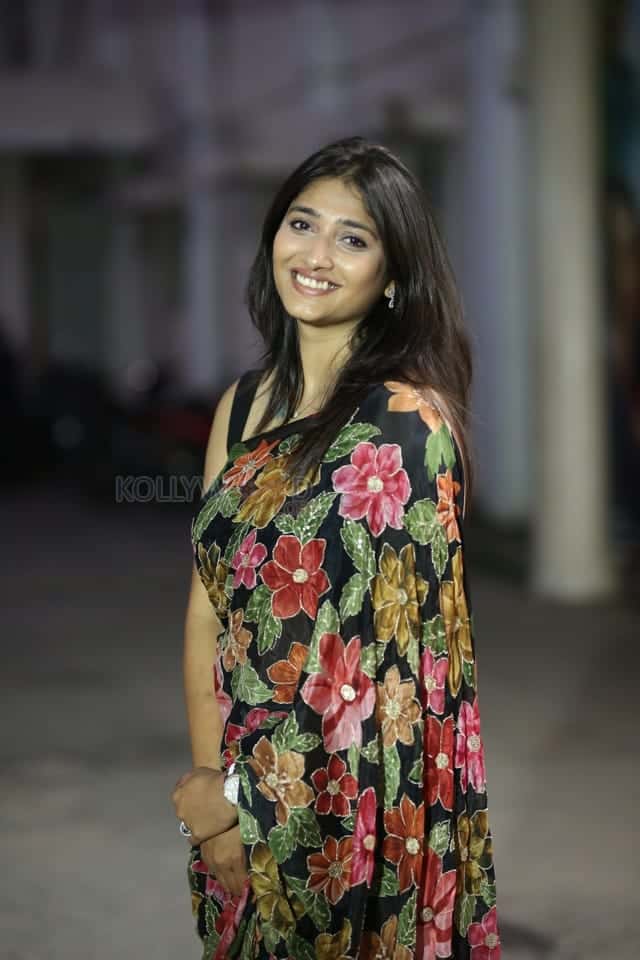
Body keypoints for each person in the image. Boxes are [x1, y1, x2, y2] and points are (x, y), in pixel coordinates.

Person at [171, 136, 501, 959]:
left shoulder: (407, 426)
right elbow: (207, 612)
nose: (315, 256)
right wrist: (214, 791)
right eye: (301, 224)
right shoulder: (241, 407)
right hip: (240, 784)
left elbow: (400, 675)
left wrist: (252, 802)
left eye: (352, 238)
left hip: (352, 803)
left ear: (391, 275)